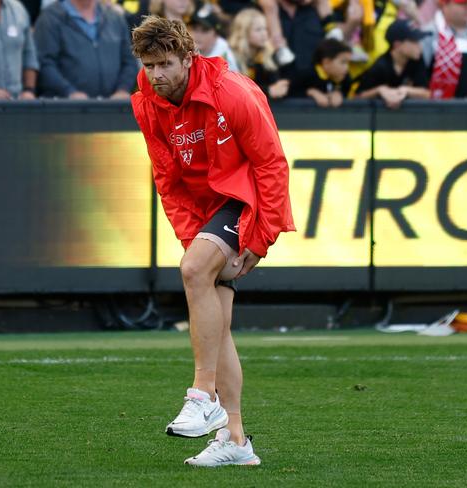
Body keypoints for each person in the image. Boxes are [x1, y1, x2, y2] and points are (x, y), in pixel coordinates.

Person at [131, 16, 294, 467]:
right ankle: (236, 441)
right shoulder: (146, 102)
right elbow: (167, 176)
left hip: (242, 200)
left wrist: (261, 240)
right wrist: (193, 239)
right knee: (217, 327)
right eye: (148, 65)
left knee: (192, 272)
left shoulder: (232, 92)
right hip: (205, 212)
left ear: (188, 56)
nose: (157, 75)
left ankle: (203, 394)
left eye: (165, 63)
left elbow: (271, 164)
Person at [33, 0, 138, 99]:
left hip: (112, 110)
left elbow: (129, 61)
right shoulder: (50, 18)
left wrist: (123, 89)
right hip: (65, 110)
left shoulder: (115, 18)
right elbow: (44, 63)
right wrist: (69, 92)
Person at [355, 20, 431, 108]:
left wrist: (405, 90)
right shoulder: (381, 66)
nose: (420, 46)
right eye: (414, 41)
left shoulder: (416, 60)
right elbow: (357, 97)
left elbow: (427, 93)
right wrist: (379, 90)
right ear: (397, 45)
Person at [229, 8, 290, 98]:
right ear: (244, 32)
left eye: (265, 29)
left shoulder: (268, 53)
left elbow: (276, 86)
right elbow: (235, 90)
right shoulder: (231, 55)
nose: (264, 33)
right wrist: (267, 91)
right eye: (258, 30)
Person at [289, 37, 352, 107]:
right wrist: (311, 92)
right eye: (343, 62)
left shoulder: (345, 78)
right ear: (326, 62)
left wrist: (338, 93)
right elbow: (290, 93)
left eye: (348, 63)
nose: (347, 68)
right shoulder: (306, 74)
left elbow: (347, 91)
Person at [188, 4, 239, 72]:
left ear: (216, 34)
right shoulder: (186, 51)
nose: (198, 35)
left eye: (204, 30)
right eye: (195, 29)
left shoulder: (225, 57)